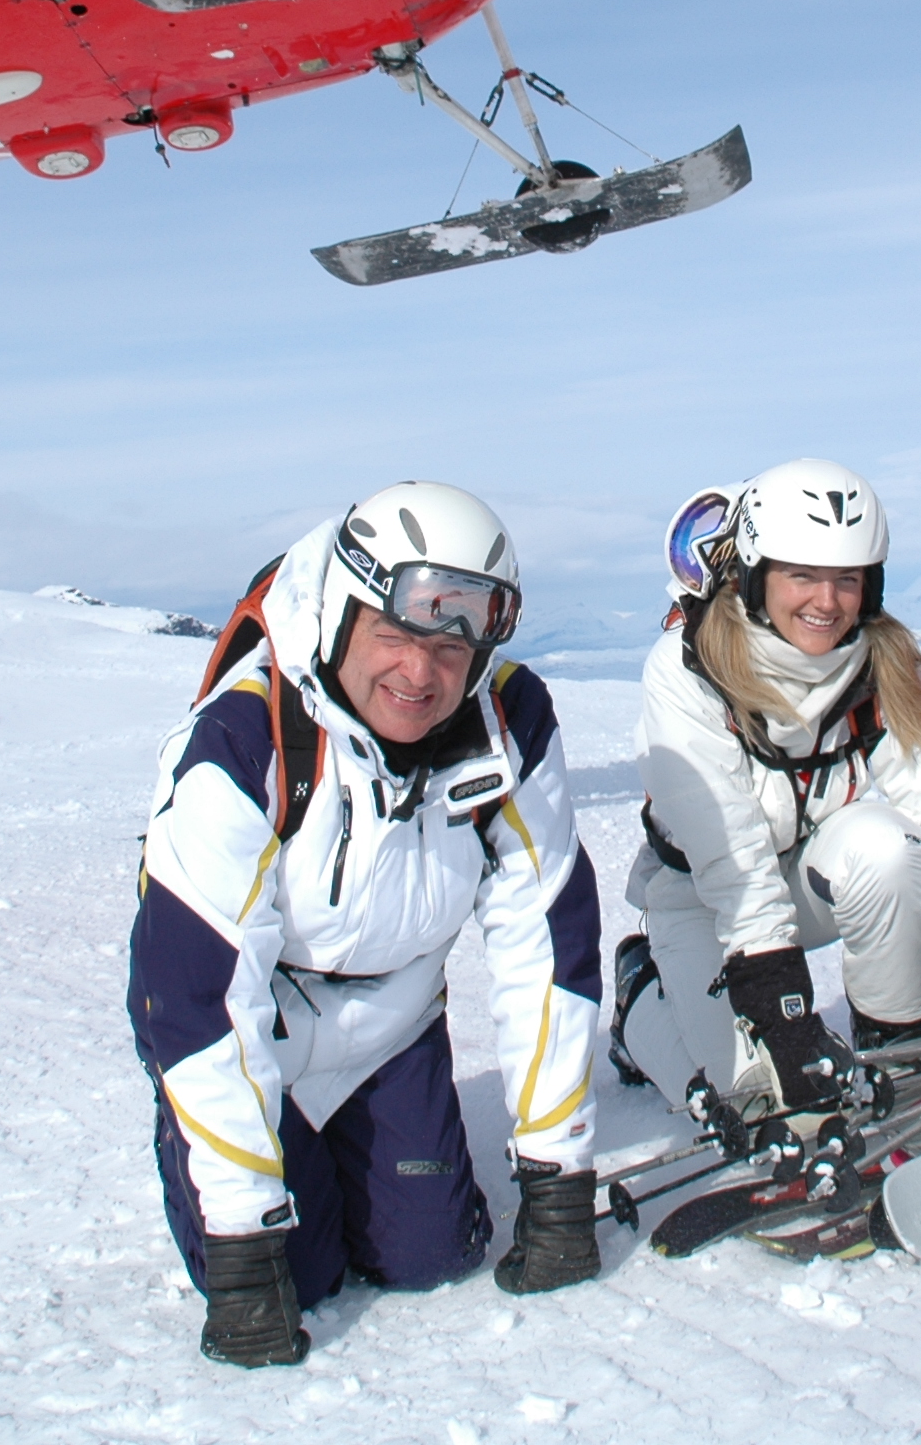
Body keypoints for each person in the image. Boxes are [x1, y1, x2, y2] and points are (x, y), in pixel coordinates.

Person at [127, 482, 604, 1369]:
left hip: (394, 1023)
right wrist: (239, 1242)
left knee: (429, 1258)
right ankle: (207, 1153)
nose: (420, 676)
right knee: (293, 1276)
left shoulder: (508, 726)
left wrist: (557, 1170)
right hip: (247, 1025)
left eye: (451, 647)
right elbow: (195, 993)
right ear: (345, 615)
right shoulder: (246, 736)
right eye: (394, 636)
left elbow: (548, 943)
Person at [611, 457, 921, 1156]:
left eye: (846, 579)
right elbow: (729, 855)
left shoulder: (883, 661)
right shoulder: (688, 670)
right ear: (756, 574)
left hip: (807, 876)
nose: (825, 602)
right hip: (706, 903)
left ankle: (896, 1041)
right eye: (802, 575)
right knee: (749, 1106)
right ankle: (640, 1003)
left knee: (888, 847)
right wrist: (785, 1020)